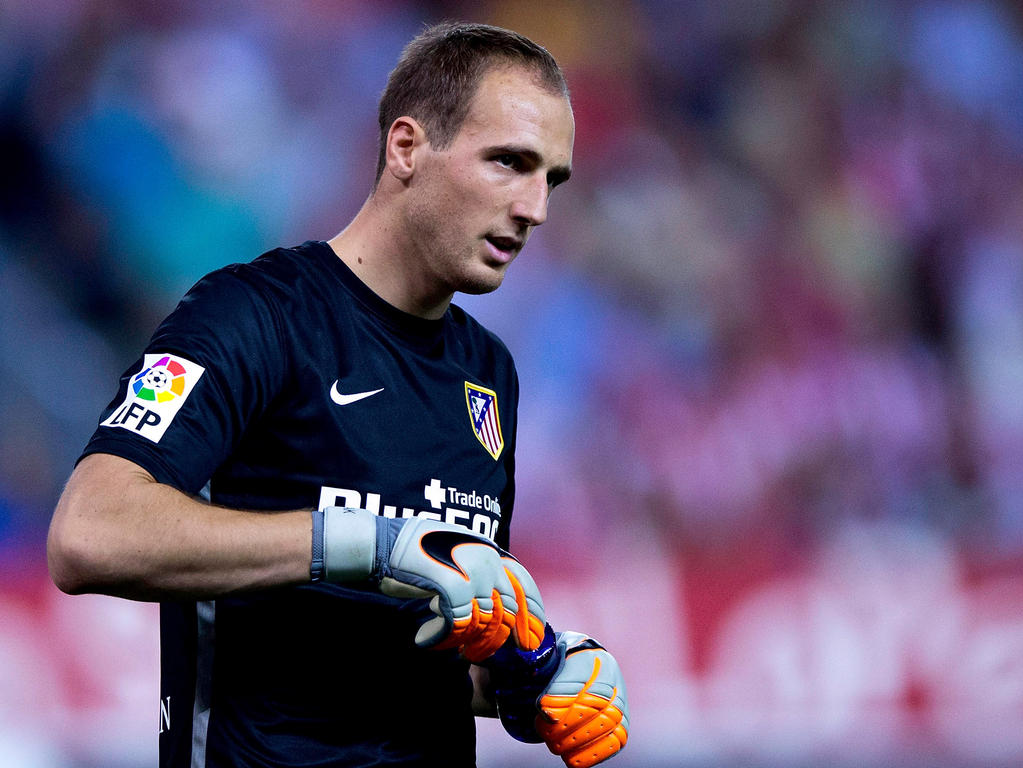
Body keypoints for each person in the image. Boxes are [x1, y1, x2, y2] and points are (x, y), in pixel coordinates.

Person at [48, 21, 628, 768]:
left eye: (550, 179)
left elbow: (434, 646)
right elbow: (87, 535)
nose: (534, 208)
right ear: (407, 148)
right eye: (509, 164)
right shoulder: (253, 316)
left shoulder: (490, 374)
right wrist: (366, 542)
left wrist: (540, 673)